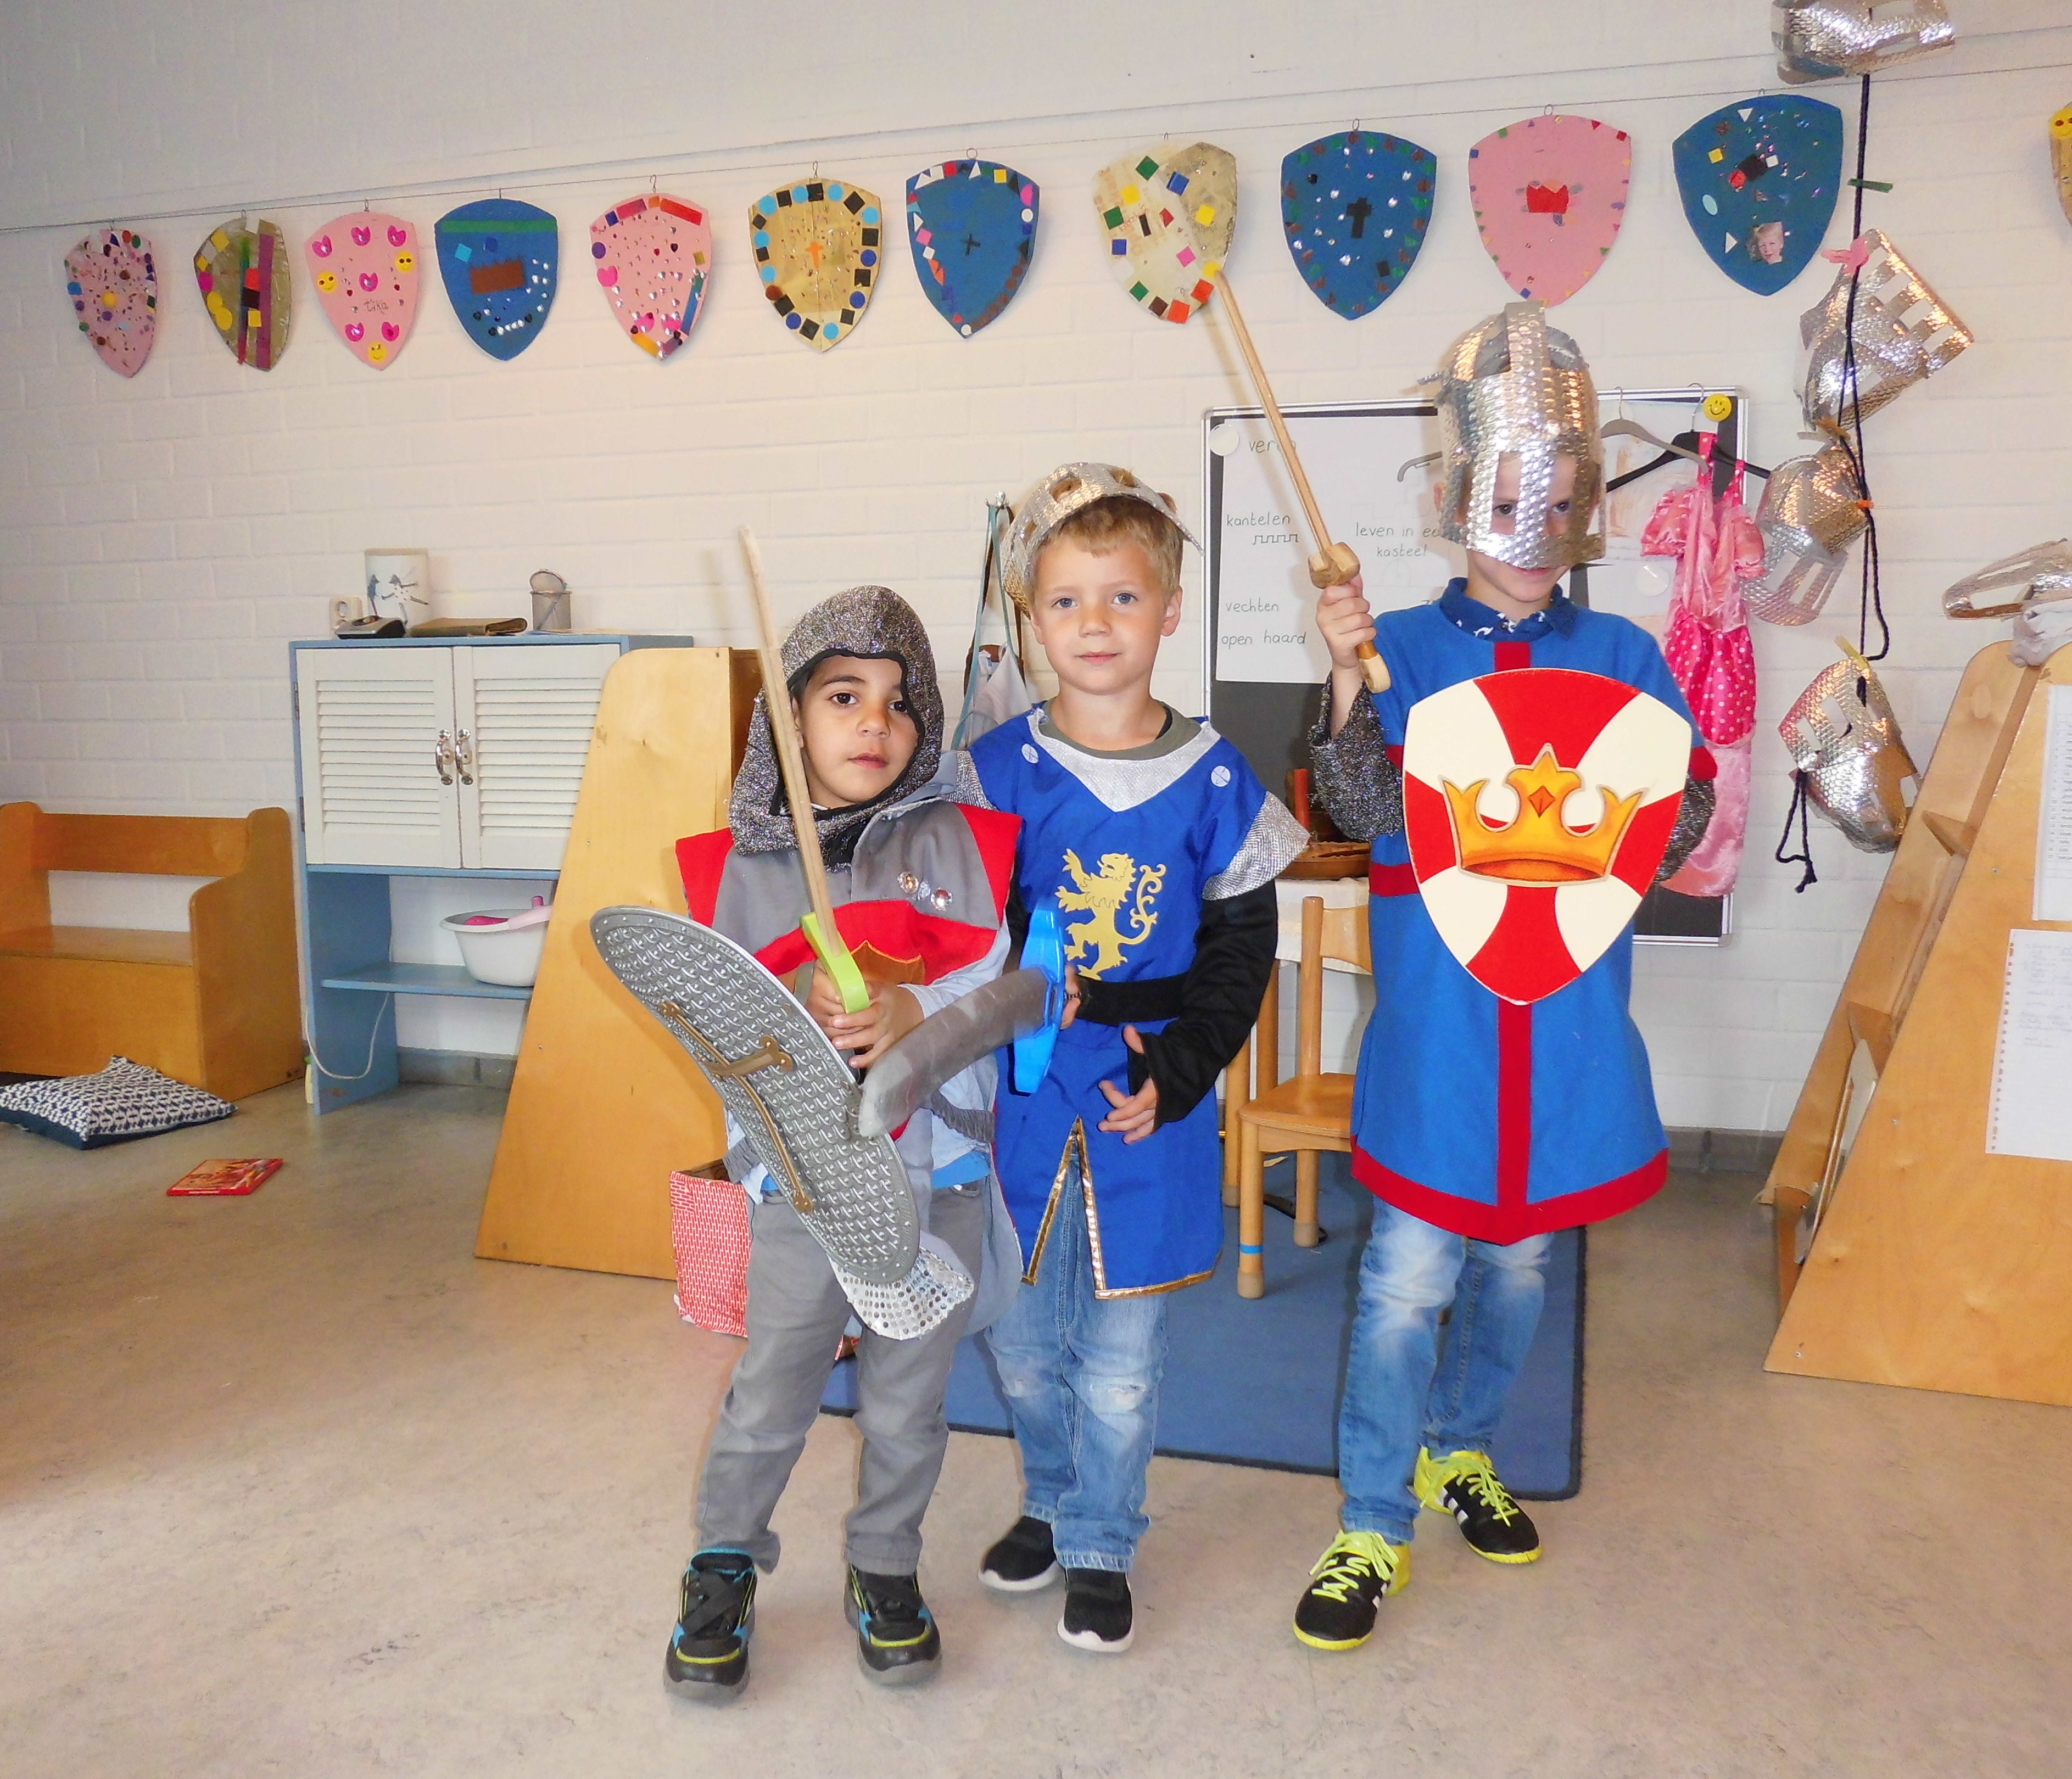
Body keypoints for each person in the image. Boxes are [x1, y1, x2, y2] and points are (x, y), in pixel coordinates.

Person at [1290, 303, 1717, 1651]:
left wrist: (1612, 831)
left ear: (1586, 504)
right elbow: (1361, 807)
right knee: (1405, 1284)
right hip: (1445, 1040)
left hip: (1566, 1040)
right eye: (1508, 490)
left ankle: (1458, 1448)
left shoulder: (1622, 656)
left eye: (1557, 493)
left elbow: (1681, 814)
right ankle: (1372, 1518)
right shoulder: (1403, 653)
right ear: (1460, 494)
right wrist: (1347, 675)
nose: (1531, 519)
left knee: (1520, 1272)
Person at [961, 464, 1303, 1654]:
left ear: (1169, 612)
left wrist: (1186, 1068)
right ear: (1031, 618)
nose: (1094, 624)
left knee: (1119, 1360)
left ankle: (1102, 1539)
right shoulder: (995, 772)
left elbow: (1240, 951)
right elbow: (964, 933)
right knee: (1018, 1341)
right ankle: (1053, 1501)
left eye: (1122, 597)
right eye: (1066, 601)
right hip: (1020, 1094)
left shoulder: (1216, 778)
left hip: (1144, 1096)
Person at [662, 586, 1024, 1699]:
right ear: (789, 722)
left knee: (910, 1402)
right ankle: (724, 1562)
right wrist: (795, 1027)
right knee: (773, 1387)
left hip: (940, 1178)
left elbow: (1004, 997)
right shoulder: (740, 870)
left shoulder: (962, 847)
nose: (875, 722)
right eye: (843, 696)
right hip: (806, 1191)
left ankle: (885, 1565)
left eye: (900, 703)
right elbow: (720, 1034)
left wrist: (916, 1012)